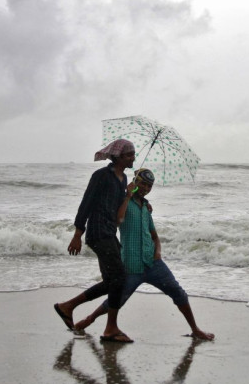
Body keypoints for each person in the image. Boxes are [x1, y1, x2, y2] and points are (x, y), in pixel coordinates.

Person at [74, 168, 214, 341]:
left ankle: (195, 329)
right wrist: (127, 196)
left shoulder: (146, 208)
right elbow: (118, 221)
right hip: (131, 265)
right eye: (143, 184)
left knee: (178, 292)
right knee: (117, 299)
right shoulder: (123, 202)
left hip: (153, 263)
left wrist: (158, 252)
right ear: (135, 182)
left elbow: (154, 236)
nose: (146, 188)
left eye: (149, 186)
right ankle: (90, 319)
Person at [54, 139, 136, 343]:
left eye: (133, 154)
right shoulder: (101, 176)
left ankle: (68, 306)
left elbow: (119, 214)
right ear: (118, 157)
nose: (133, 158)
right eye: (129, 155)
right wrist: (77, 235)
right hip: (98, 233)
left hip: (109, 233)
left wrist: (131, 197)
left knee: (113, 281)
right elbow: (86, 204)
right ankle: (111, 329)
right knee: (119, 277)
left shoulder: (123, 179)